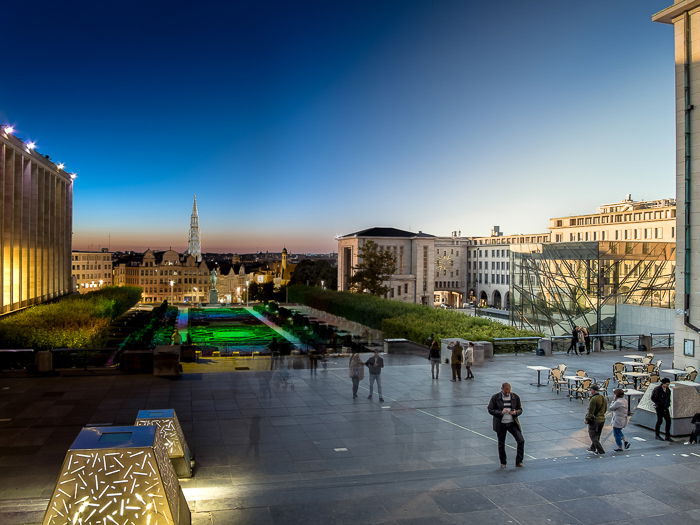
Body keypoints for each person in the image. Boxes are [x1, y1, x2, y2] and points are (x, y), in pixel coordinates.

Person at [487, 382, 525, 468]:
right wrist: (501, 412)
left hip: (512, 423)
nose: (507, 393)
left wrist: (515, 412)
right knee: (501, 443)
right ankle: (503, 463)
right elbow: (490, 409)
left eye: (509, 392)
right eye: (505, 392)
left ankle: (519, 461)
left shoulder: (515, 397)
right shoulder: (495, 397)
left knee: (521, 440)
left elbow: (520, 409)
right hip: (501, 424)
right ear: (502, 389)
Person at [585, 384, 607, 454]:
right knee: (597, 435)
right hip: (602, 419)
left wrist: (587, 419)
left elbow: (591, 412)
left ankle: (601, 450)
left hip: (595, 420)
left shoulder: (593, 399)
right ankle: (593, 448)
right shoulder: (603, 397)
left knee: (592, 435)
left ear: (593, 391)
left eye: (590, 390)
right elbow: (605, 409)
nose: (590, 391)